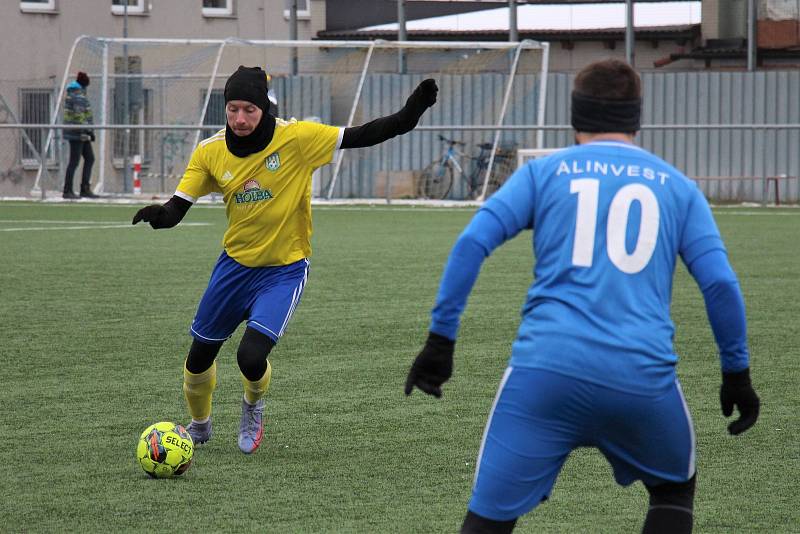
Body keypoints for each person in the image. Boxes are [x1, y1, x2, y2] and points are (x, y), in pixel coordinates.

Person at [404, 59, 760, 534]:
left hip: (546, 372)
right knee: (674, 490)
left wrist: (440, 343)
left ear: (575, 116)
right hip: (641, 374)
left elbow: (472, 243)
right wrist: (736, 372)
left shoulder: (545, 173)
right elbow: (719, 284)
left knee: (489, 519)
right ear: (636, 116)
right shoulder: (678, 188)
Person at [132, 66, 437, 454]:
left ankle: (253, 407)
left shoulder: (296, 139)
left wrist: (412, 111)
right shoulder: (210, 151)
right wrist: (160, 216)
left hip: (284, 271)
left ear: (264, 108)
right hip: (234, 268)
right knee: (197, 360)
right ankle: (199, 426)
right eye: (232, 109)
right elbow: (177, 207)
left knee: (250, 356)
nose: (240, 119)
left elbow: (366, 134)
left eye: (249, 110)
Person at [62, 71, 99, 199]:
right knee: (74, 161)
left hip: (81, 132)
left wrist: (89, 131)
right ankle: (67, 190)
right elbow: (79, 115)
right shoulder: (78, 95)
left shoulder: (76, 93)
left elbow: (83, 115)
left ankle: (84, 188)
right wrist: (88, 130)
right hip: (77, 133)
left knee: (89, 158)